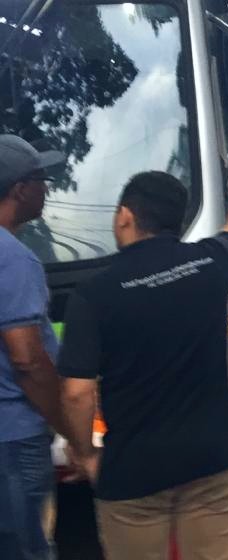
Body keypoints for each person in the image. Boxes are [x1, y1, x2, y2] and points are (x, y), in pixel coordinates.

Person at [58, 167, 228, 560]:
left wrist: (85, 454)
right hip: (211, 463)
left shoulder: (93, 295)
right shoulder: (208, 264)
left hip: (133, 476)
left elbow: (76, 393)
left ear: (125, 216)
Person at [0, 135, 66, 560]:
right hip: (16, 438)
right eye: (42, 179)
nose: (48, 188)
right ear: (20, 189)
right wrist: (66, 423)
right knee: (28, 549)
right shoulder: (14, 258)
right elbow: (26, 359)